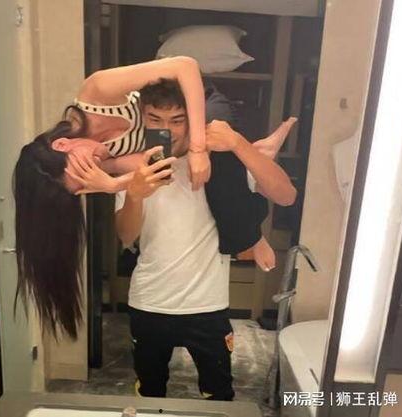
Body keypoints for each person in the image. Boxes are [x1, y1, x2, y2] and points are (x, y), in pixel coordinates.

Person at [13, 58, 296, 339]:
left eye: (87, 169)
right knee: (201, 171)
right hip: (169, 137)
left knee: (213, 155)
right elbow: (156, 167)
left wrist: (199, 149)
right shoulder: (99, 157)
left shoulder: (96, 92)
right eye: (84, 184)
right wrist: (112, 184)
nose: (95, 170)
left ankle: (252, 213)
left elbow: (185, 66)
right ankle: (258, 158)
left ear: (62, 144)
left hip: (194, 100)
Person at [115, 85, 296, 400]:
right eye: (155, 119)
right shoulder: (136, 169)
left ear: (194, 120)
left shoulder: (222, 166)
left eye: (177, 120)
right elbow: (126, 236)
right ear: (142, 119)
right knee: (149, 392)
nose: (167, 130)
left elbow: (286, 195)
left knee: (219, 395)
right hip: (150, 301)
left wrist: (237, 143)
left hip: (207, 305)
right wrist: (135, 194)